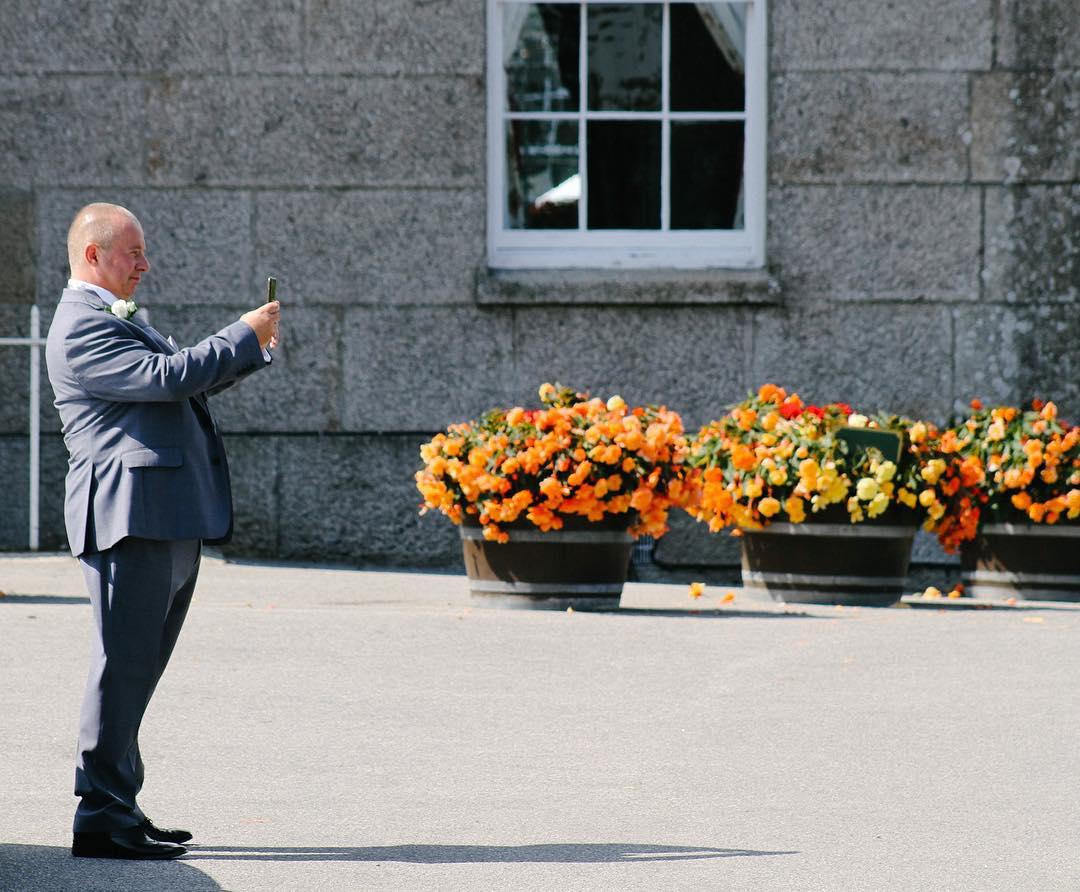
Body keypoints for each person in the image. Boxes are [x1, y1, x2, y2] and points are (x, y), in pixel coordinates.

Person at [45, 202, 281, 860]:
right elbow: (166, 377)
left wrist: (249, 349)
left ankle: (120, 802)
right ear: (92, 256)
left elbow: (179, 384)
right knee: (122, 667)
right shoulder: (79, 326)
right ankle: (100, 813)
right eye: (132, 252)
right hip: (128, 516)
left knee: (138, 668)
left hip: (159, 513)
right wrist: (241, 332)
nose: (144, 264)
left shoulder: (113, 318)